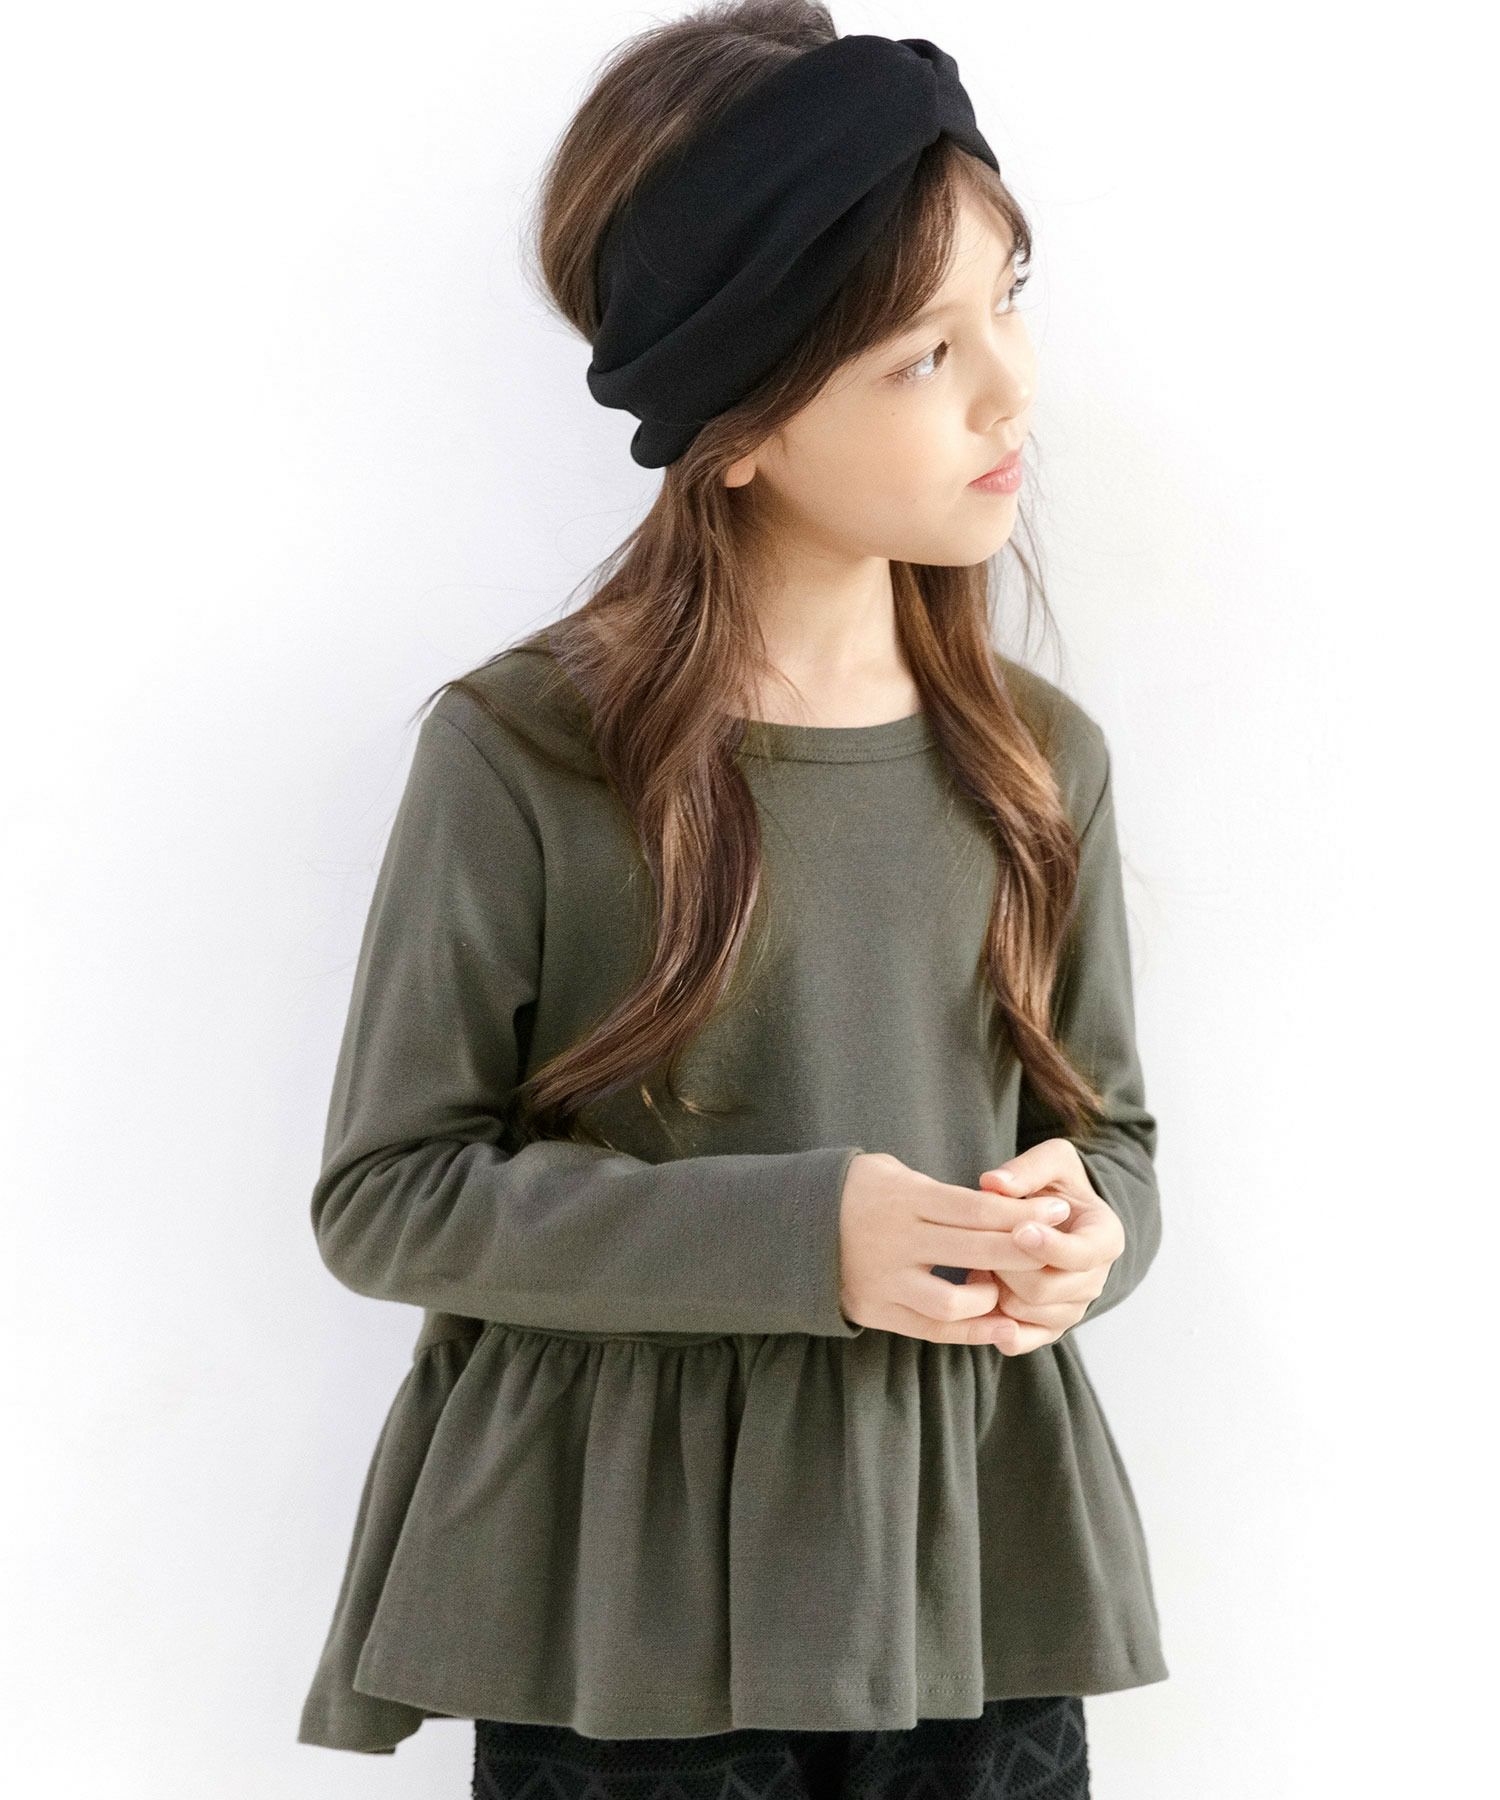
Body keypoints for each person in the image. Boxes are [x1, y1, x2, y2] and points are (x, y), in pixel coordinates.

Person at [296, 5, 1167, 1796]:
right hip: (637, 1623)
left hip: (969, 1596)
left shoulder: (1037, 762)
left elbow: (1112, 1140)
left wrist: (1090, 1232)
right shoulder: (525, 755)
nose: (1009, 387)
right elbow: (387, 1199)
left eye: (1009, 299)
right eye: (922, 353)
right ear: (744, 421)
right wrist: (807, 1235)